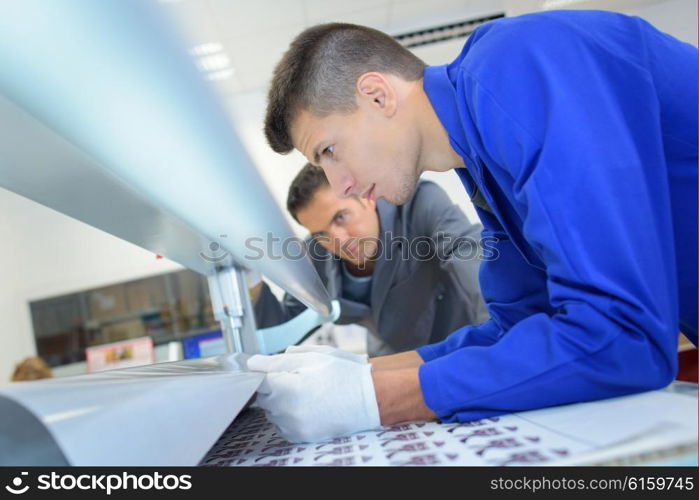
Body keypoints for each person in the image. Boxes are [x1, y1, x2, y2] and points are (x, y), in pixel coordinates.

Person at [248, 9, 698, 443]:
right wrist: (356, 374)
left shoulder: (521, 61)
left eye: (328, 150)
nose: (340, 184)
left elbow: (622, 336)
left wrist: (377, 399)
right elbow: (521, 324)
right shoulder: (481, 158)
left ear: (377, 95)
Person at [252, 163, 488, 357]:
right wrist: (250, 277)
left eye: (341, 217)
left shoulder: (419, 203)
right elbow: (283, 332)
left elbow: (472, 260)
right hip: (394, 359)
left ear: (366, 198)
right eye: (320, 233)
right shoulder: (317, 252)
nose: (338, 240)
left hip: (463, 345)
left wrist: (500, 342)